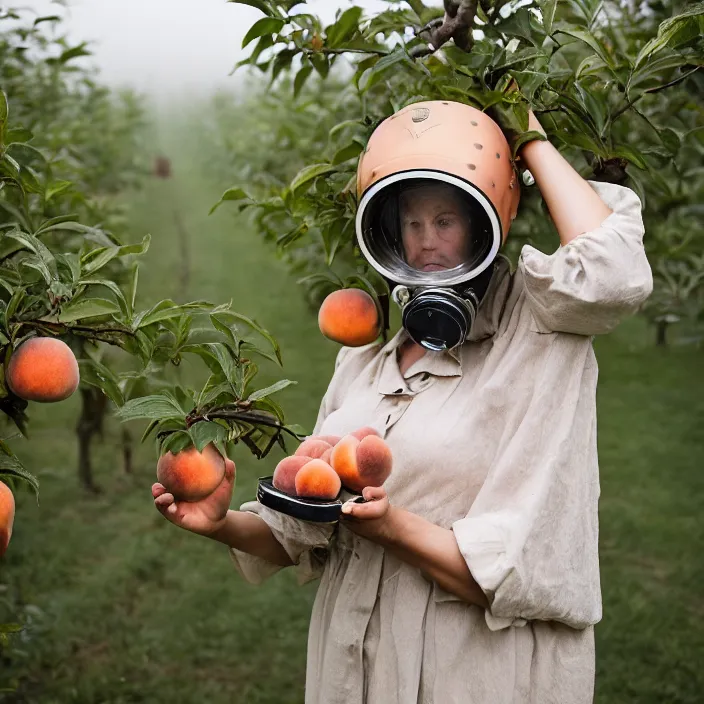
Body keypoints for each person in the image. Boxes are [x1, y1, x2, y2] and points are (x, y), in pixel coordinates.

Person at [152, 100, 653, 703]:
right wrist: (220, 525)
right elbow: (305, 532)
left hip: (472, 670)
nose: (427, 244)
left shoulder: (542, 331)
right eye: (412, 225)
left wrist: (529, 141)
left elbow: (613, 272)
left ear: (485, 222)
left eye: (446, 221)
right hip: (354, 666)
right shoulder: (365, 361)